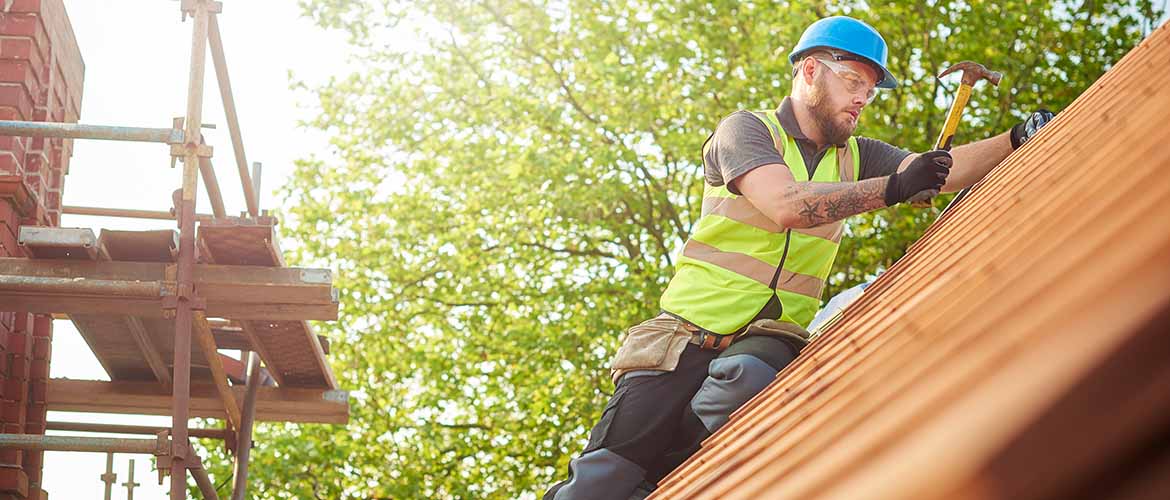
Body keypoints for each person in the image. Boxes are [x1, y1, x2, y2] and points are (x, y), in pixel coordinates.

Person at [544, 15, 1053, 500]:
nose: (862, 99)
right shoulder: (745, 131)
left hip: (768, 341)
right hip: (679, 340)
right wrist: (898, 186)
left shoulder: (858, 154)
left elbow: (937, 170)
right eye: (854, 82)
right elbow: (787, 206)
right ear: (810, 70)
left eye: (870, 91)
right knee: (599, 483)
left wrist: (1014, 138)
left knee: (738, 385)